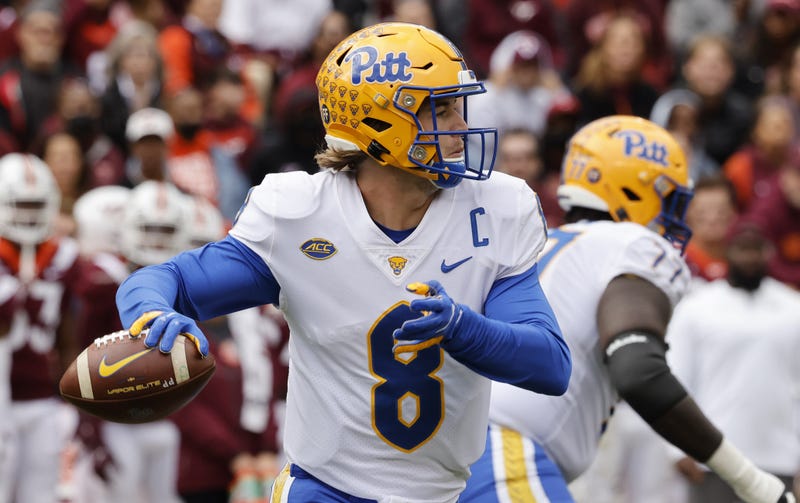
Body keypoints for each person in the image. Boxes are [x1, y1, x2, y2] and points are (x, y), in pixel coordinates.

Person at [115, 22, 571, 502]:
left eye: (458, 107)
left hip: (441, 493)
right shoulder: (298, 213)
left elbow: (550, 365)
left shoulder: (497, 208)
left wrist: (460, 328)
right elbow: (166, 281)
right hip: (325, 490)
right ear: (378, 123)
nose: (460, 128)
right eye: (440, 109)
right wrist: (152, 313)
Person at [460, 115, 796, 503]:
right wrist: (750, 479)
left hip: (460, 451)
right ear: (634, 189)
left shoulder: (542, 243)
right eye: (667, 197)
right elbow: (638, 369)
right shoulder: (630, 244)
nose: (675, 215)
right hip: (506, 451)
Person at [667, 220, 800, 502]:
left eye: (756, 249)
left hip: (779, 458)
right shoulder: (696, 308)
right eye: (742, 249)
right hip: (714, 456)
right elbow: (676, 379)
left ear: (769, 252)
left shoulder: (793, 308)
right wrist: (677, 449)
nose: (749, 258)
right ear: (728, 251)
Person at [0, 152, 84, 503]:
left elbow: (68, 330)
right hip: (3, 399)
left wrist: (73, 398)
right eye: (20, 204)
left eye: (36, 204)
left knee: (42, 494)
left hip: (42, 398)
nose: (29, 214)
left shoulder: (63, 255)